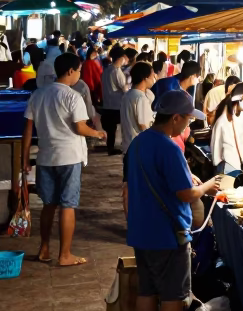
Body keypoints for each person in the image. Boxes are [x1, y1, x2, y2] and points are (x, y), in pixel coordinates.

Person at [126, 89, 222, 311]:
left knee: (146, 290)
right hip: (167, 233)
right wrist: (206, 185)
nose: (189, 125)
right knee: (172, 294)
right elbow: (185, 194)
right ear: (176, 117)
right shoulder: (168, 147)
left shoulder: (140, 142)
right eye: (188, 119)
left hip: (141, 229)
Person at [20, 53, 108, 266]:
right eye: (79, 71)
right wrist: (98, 133)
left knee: (49, 204)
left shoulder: (38, 95)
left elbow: (28, 130)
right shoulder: (72, 96)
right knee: (68, 205)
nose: (79, 74)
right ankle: (65, 254)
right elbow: (79, 127)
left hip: (45, 158)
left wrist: (24, 159)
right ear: (70, 71)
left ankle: (44, 248)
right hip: (69, 157)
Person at [210, 83, 243, 175]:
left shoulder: (242, 116)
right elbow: (215, 149)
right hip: (227, 167)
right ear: (239, 99)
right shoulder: (222, 121)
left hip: (240, 164)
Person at [120, 61, 157, 155]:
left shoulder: (128, 95)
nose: (154, 78)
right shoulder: (141, 98)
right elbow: (143, 125)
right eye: (152, 76)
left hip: (128, 145)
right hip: (139, 147)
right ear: (145, 78)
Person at [100, 45, 130, 155]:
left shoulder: (106, 70)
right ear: (121, 58)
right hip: (116, 105)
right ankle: (120, 146)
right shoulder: (116, 71)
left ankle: (110, 148)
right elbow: (124, 88)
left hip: (107, 104)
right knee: (123, 125)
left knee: (111, 130)